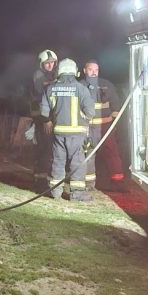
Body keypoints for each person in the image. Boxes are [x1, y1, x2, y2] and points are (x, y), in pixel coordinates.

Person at [42, 58, 94, 200]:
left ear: (59, 71)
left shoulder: (50, 88)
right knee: (77, 162)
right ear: (75, 72)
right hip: (77, 134)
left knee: (58, 161)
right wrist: (83, 120)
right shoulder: (81, 89)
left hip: (58, 133)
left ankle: (55, 192)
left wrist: (50, 120)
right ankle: (76, 194)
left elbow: (44, 112)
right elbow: (90, 112)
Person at [82, 59, 124, 190]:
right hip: (88, 128)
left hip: (106, 127)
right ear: (84, 71)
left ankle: (118, 183)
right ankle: (89, 184)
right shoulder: (80, 86)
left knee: (112, 153)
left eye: (96, 70)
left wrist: (115, 124)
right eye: (90, 70)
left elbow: (116, 105)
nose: (94, 73)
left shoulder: (107, 85)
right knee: (88, 153)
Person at [29, 49, 57, 190]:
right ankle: (40, 181)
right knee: (43, 149)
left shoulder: (53, 75)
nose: (50, 65)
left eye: (52, 63)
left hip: (49, 118)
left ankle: (46, 177)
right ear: (41, 64)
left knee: (50, 149)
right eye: (47, 63)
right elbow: (41, 92)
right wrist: (45, 119)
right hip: (42, 118)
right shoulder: (38, 75)